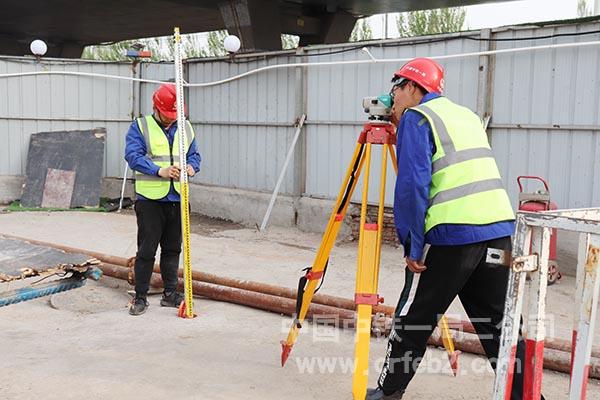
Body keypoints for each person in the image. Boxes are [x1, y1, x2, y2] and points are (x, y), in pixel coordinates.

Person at [366, 58, 541, 399]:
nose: (393, 97)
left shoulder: (418, 119)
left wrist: (412, 246)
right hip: (498, 231)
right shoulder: (466, 115)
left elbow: (412, 187)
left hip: (456, 235)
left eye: (397, 88)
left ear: (414, 88)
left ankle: (387, 392)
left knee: (417, 318)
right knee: (500, 325)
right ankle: (528, 396)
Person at [124, 83, 201, 316]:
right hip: (150, 200)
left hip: (177, 197)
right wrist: (160, 171)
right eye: (167, 115)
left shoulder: (185, 127)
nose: (170, 120)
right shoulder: (140, 126)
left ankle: (170, 293)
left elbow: (195, 155)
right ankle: (140, 297)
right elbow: (132, 156)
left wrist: (191, 167)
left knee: (172, 249)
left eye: (174, 116)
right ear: (155, 107)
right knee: (147, 250)